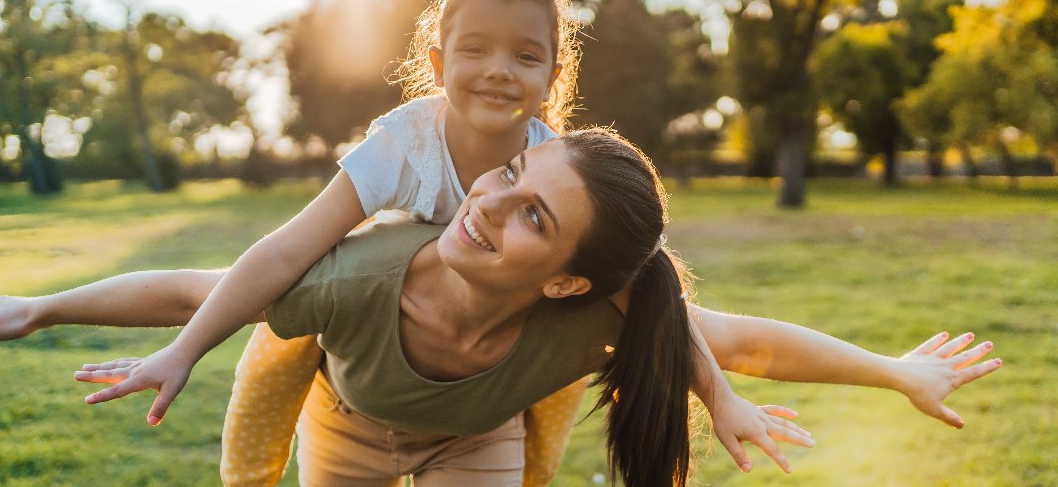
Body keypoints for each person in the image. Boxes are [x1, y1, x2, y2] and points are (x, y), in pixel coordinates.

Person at [0, 0, 1001, 484]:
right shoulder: (393, 161)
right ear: (435, 54)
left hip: (482, 426)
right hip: (351, 408)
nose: (494, 197)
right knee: (313, 306)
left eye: (527, 57)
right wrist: (67, 311)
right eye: (476, 49)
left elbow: (705, 322)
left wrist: (880, 372)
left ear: (555, 76)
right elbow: (245, 268)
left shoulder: (567, 190)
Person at [72, 130, 812, 486]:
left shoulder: (598, 318)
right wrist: (41, 308)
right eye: (511, 173)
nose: (487, 203)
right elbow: (194, 288)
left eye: (534, 218)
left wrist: (892, 370)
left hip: (473, 440)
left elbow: (731, 339)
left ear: (565, 284)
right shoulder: (353, 279)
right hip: (346, 430)